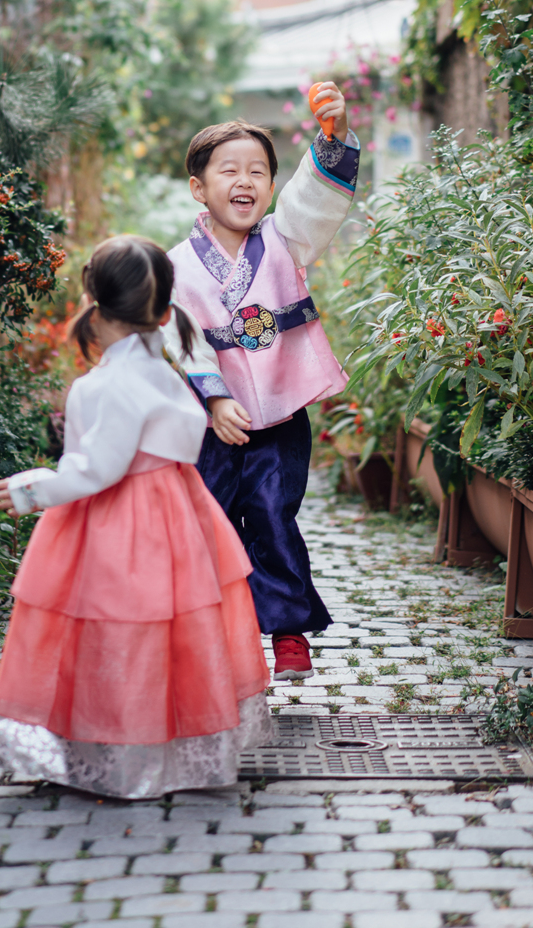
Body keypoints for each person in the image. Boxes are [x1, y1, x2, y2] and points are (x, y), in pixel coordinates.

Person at [0, 235, 272, 799]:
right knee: (172, 632)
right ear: (164, 313)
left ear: (93, 304)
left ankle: (116, 751)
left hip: (118, 523)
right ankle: (166, 744)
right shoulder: (167, 374)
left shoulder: (106, 384)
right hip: (178, 515)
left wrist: (31, 489)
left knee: (113, 630)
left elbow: (98, 469)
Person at [163, 82, 359, 683]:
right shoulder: (174, 266)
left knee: (274, 514)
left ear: (272, 187)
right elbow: (180, 338)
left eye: (258, 171)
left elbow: (312, 198)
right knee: (213, 523)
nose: (245, 181)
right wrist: (216, 398)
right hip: (211, 424)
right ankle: (217, 632)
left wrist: (332, 139)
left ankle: (288, 629)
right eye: (229, 170)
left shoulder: (284, 238)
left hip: (280, 414)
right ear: (199, 188)